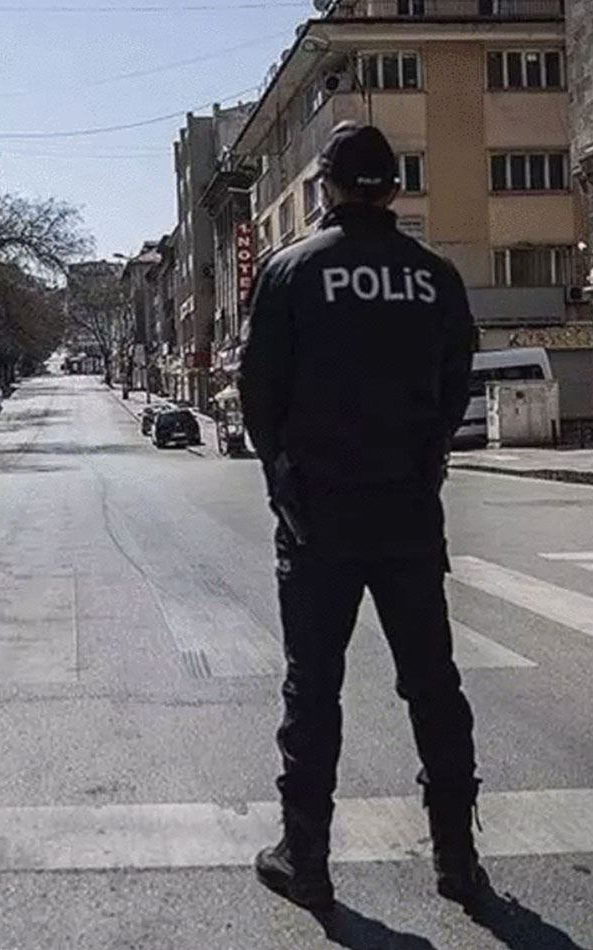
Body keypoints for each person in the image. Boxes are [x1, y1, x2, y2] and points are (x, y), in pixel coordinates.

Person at [238, 121, 484, 912]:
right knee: (433, 686)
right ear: (395, 190)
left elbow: (257, 392)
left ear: (328, 189)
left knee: (314, 690)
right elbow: (456, 383)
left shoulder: (289, 271)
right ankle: (457, 857)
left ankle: (305, 858)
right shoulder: (434, 276)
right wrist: (427, 458)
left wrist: (282, 475)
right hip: (407, 512)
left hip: (319, 518)